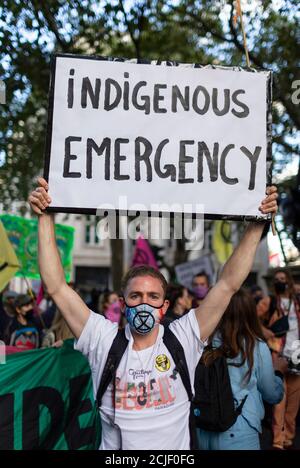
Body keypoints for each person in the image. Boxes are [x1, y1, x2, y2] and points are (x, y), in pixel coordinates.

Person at [28, 177, 278, 450]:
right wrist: (45, 217)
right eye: (135, 296)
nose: (144, 304)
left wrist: (257, 223)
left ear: (165, 306)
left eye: (153, 297)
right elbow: (56, 286)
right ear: (123, 305)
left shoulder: (183, 337)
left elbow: (228, 284)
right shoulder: (102, 339)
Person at [197, 288, 285, 450]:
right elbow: (271, 393)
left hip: (202, 430)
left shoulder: (201, 341)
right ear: (249, 313)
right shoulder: (254, 345)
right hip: (239, 429)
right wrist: (278, 372)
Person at [257, 269, 300, 450]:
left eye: (283, 279)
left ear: (289, 281)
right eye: (276, 279)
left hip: (297, 356)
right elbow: (252, 318)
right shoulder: (269, 302)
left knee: (293, 401)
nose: (280, 282)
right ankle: (278, 440)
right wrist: (265, 331)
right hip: (278, 354)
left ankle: (289, 436)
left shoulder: (296, 302)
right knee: (279, 400)